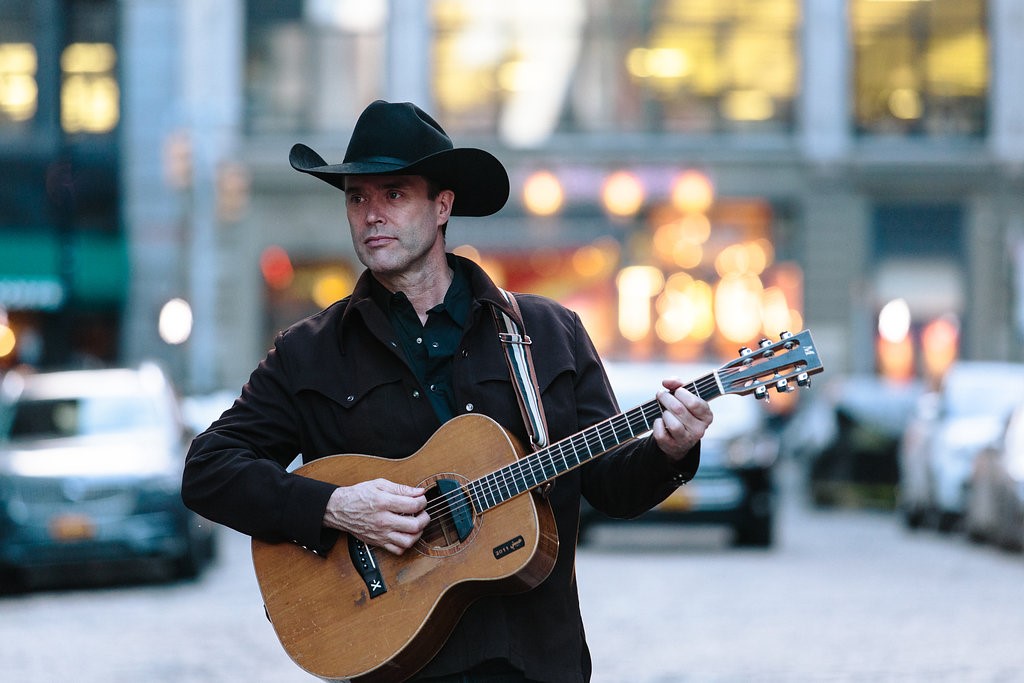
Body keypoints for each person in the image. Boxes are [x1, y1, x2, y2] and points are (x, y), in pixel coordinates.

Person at [181, 100, 713, 683]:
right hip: (388, 660)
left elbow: (612, 487)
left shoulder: (546, 333)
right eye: (357, 198)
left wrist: (671, 449)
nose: (371, 214)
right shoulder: (307, 352)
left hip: (530, 661)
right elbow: (207, 469)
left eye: (394, 193)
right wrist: (336, 507)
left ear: (442, 205)